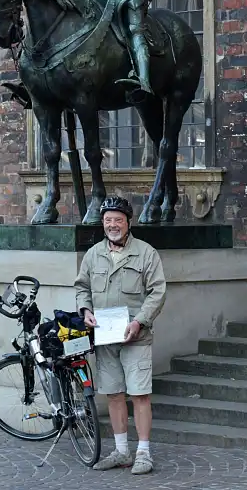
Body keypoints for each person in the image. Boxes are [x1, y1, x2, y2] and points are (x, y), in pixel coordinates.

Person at [74, 195, 167, 474]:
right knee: (114, 394)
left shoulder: (146, 253)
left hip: (136, 337)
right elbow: (82, 288)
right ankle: (122, 451)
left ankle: (143, 453)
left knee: (139, 394)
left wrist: (139, 321)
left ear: (128, 223)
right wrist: (85, 310)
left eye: (118, 220)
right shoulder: (93, 255)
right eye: (108, 220)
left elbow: (158, 292)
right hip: (105, 338)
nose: (112, 225)